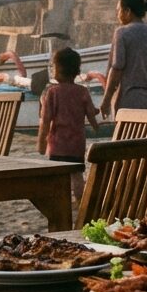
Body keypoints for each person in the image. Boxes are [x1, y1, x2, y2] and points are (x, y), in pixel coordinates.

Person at [37, 48, 101, 206]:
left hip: (58, 143)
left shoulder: (52, 92)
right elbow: (91, 114)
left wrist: (41, 143)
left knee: (58, 174)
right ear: (77, 70)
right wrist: (95, 126)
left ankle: (59, 200)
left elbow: (46, 120)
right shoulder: (82, 91)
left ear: (57, 70)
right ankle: (81, 201)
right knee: (77, 174)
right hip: (76, 143)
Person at [99, 0, 147, 120]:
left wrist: (106, 100)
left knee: (129, 140)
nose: (117, 15)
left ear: (127, 11)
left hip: (130, 103)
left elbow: (116, 69)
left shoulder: (122, 33)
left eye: (119, 10)